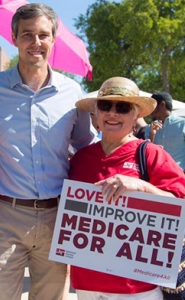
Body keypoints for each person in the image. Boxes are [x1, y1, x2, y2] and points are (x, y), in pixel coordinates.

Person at [0, 3, 96, 299]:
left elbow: (87, 146)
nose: (36, 43)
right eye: (28, 35)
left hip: (59, 216)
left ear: (53, 40)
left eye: (43, 35)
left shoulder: (72, 93)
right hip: (5, 216)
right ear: (14, 38)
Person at [69, 77, 185, 300]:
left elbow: (180, 204)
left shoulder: (150, 154)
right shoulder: (80, 158)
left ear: (136, 115)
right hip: (86, 284)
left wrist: (142, 187)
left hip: (137, 287)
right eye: (106, 106)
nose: (113, 113)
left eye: (122, 107)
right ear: (96, 113)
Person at [148, 92, 185, 171]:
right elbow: (146, 152)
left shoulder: (183, 124)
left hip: (180, 176)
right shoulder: (150, 128)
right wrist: (152, 135)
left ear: (162, 104)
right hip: (156, 175)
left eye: (153, 106)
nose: (150, 109)